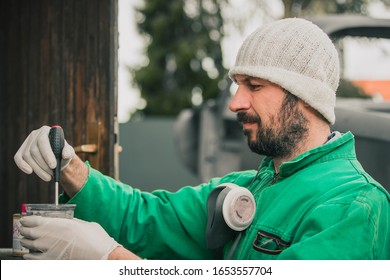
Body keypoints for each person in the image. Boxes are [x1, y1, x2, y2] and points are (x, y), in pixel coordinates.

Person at [14, 17, 390, 260]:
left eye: (254, 86)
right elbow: (145, 219)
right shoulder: (246, 188)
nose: (235, 103)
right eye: (237, 85)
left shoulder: (355, 207)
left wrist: (110, 260)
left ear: (306, 98)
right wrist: (71, 167)